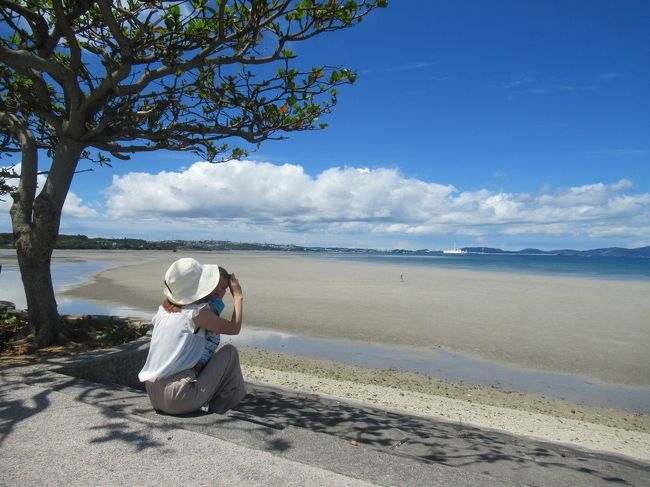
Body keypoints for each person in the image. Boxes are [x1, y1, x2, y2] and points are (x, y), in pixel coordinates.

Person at [138, 257, 246, 415]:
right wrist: (238, 296)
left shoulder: (164, 309)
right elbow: (234, 328)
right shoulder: (196, 313)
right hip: (177, 397)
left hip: (154, 394)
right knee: (230, 353)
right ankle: (215, 413)